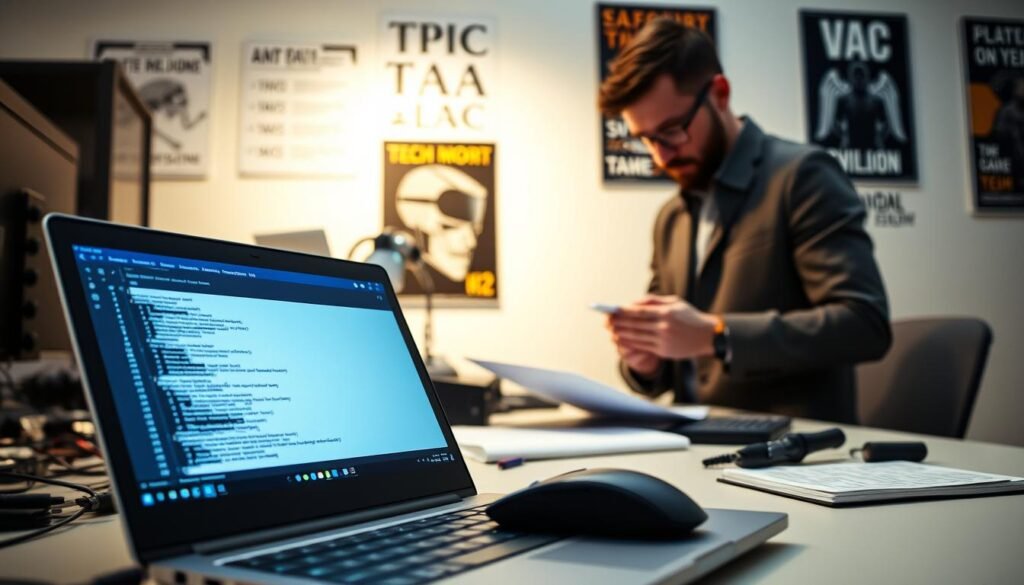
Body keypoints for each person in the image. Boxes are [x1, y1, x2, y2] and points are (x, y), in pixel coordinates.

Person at [598, 18, 891, 423]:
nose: (660, 157)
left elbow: (864, 325)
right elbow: (674, 369)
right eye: (646, 139)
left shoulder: (801, 176)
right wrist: (646, 360)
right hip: (692, 445)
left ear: (720, 93)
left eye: (672, 130)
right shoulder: (671, 218)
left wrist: (715, 335)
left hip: (789, 457)